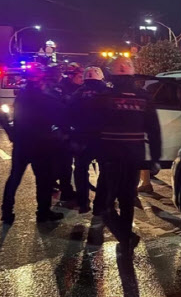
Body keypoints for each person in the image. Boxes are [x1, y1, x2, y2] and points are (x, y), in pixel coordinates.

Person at [94, 57, 161, 255]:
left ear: (111, 74)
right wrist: (155, 158)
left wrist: (91, 151)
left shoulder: (103, 96)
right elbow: (154, 129)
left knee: (105, 203)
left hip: (110, 157)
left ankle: (125, 237)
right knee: (127, 199)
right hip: (133, 156)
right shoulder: (143, 97)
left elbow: (93, 127)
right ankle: (126, 240)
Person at [1, 64, 66, 224]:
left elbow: (4, 116)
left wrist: (11, 133)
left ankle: (7, 212)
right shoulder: (45, 97)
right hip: (41, 145)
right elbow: (60, 115)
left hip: (22, 144)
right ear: (41, 79)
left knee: (14, 178)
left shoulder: (22, 94)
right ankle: (43, 213)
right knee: (43, 180)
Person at [70, 66, 110, 215]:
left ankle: (83, 202)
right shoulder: (107, 92)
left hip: (81, 138)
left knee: (81, 169)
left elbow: (68, 114)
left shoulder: (77, 93)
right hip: (103, 139)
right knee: (105, 170)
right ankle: (100, 204)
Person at [43, 65, 77, 202]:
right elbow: (62, 106)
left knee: (55, 163)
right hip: (57, 131)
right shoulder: (55, 89)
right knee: (64, 164)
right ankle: (65, 191)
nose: (60, 75)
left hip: (49, 131)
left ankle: (53, 187)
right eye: (58, 72)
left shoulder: (44, 87)